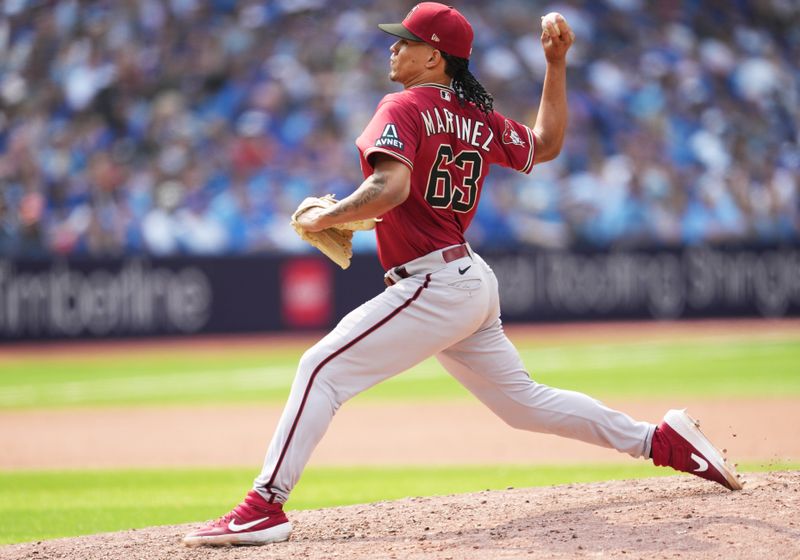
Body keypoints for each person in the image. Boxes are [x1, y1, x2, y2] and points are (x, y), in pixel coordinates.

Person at [182, 3, 741, 547]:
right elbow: (545, 144)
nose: (394, 47)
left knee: (320, 369)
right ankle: (660, 442)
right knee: (523, 404)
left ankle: (263, 507)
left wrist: (327, 214)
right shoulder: (475, 116)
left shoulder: (402, 107)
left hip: (434, 282)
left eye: (407, 40)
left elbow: (392, 187)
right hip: (465, 279)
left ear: (435, 58)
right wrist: (556, 65)